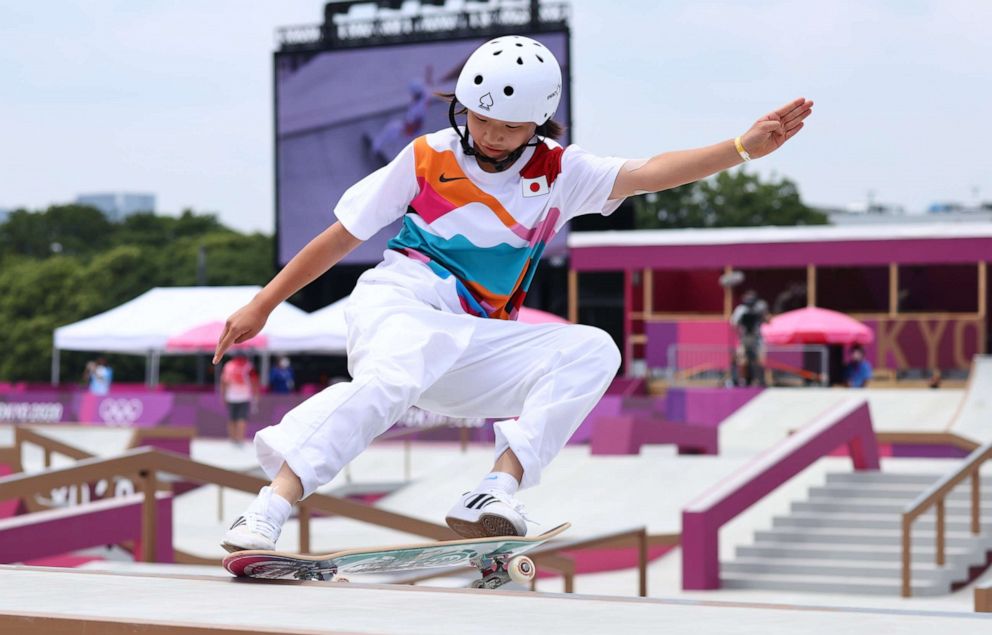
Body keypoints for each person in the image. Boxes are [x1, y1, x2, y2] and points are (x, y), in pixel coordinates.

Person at [215, 35, 813, 551]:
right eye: (483, 120)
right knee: (392, 378)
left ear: (539, 123)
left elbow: (650, 172)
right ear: (463, 107)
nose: (495, 136)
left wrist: (739, 149)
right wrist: (262, 303)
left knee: (594, 349)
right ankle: (269, 508)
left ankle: (496, 489)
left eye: (512, 127)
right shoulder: (425, 157)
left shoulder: (559, 170)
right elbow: (341, 236)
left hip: (475, 337)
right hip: (399, 304)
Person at [731, 290, 770, 386]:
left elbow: (768, 320)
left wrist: (761, 316)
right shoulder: (741, 310)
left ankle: (760, 380)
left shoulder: (760, 307)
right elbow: (734, 323)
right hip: (744, 338)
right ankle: (743, 380)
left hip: (757, 338)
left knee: (759, 360)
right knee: (742, 360)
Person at [220, 352, 259, 445]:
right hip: (244, 397)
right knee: (242, 418)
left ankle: (232, 439)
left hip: (231, 396)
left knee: (232, 418)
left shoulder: (228, 366)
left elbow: (223, 382)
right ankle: (240, 438)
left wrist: (223, 395)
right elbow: (254, 381)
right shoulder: (249, 367)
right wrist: (256, 394)